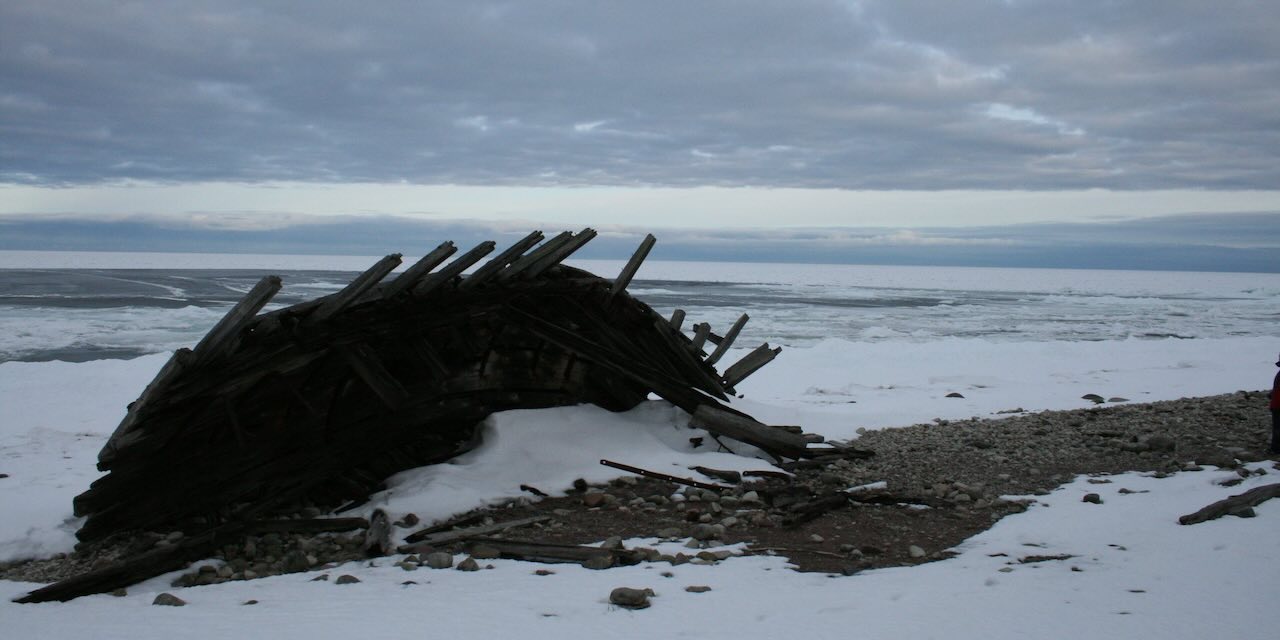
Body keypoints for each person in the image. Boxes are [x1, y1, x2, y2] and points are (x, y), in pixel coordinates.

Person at [1272, 352, 1280, 454]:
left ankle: (1275, 448)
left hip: (1276, 404)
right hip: (1277, 405)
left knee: (1277, 427)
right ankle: (1276, 448)